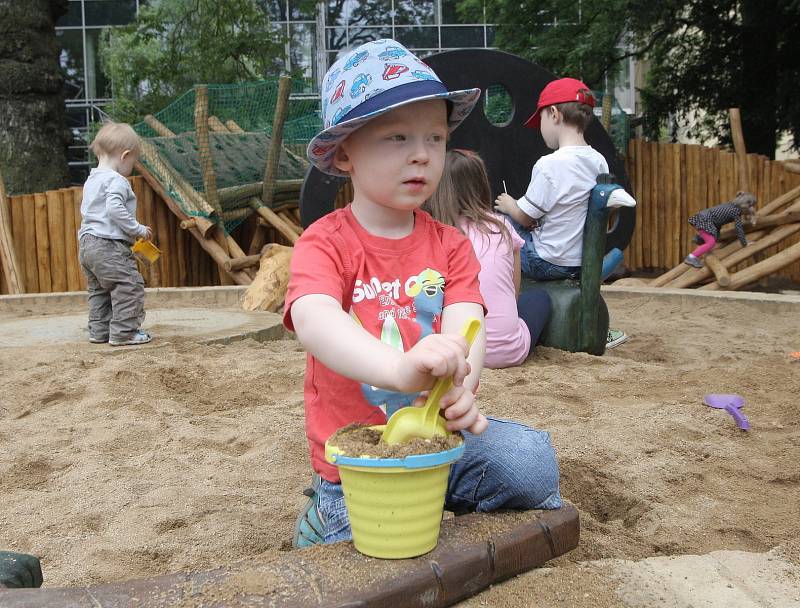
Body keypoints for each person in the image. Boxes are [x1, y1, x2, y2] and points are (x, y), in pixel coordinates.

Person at [285, 40, 562, 548]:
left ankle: (445, 494)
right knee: (376, 555)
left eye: (435, 138)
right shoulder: (325, 241)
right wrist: (399, 370)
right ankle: (322, 514)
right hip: (358, 459)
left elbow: (467, 323)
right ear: (345, 153)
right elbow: (314, 318)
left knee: (533, 465)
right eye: (396, 137)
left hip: (439, 436)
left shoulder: (449, 244)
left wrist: (461, 379)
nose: (421, 153)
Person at [494, 78, 627, 349]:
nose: (539, 129)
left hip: (548, 261)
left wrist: (509, 205)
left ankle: (504, 306)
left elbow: (525, 218)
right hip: (580, 262)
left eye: (540, 119)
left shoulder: (549, 165)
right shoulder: (598, 160)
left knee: (502, 225)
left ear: (553, 114)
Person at [425, 149, 551, 368]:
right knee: (540, 298)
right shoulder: (500, 227)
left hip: (453, 351)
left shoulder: (432, 234)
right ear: (481, 184)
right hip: (507, 352)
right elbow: (514, 291)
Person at [78, 122, 152, 346]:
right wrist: (137, 229)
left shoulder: (92, 180)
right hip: (108, 245)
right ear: (125, 155)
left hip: (86, 245)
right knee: (128, 286)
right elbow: (114, 209)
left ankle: (99, 331)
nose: (132, 165)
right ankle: (124, 332)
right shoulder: (116, 180)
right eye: (133, 161)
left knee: (99, 290)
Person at [684, 192, 756, 268]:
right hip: (706, 220)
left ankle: (699, 238)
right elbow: (739, 229)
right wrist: (744, 243)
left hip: (705, 218)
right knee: (711, 243)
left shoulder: (731, 205)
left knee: (716, 237)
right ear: (746, 205)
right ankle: (691, 257)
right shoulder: (736, 212)